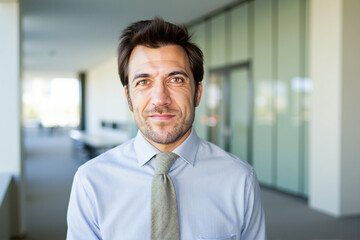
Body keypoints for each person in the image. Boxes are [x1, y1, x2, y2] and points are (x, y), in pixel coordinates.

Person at [67, 17, 266, 240]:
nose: (160, 99)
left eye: (176, 80)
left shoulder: (240, 179)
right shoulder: (91, 181)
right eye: (144, 82)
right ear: (129, 97)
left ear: (197, 93)